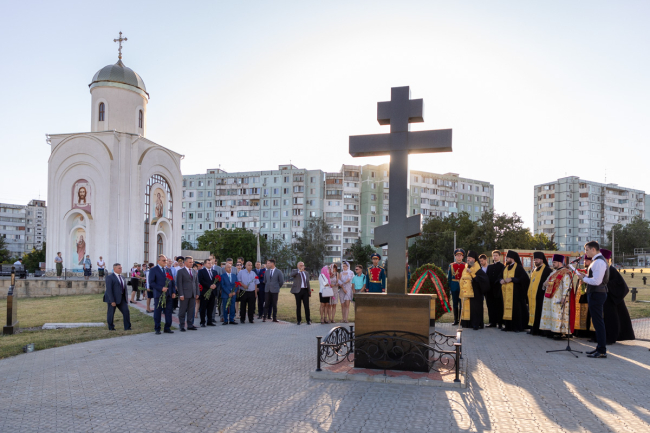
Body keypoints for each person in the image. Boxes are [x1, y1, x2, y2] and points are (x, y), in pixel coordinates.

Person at [576, 241, 609, 358]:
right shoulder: (596, 261)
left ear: (593, 249)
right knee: (596, 322)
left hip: (597, 294)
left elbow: (597, 281)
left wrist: (583, 279)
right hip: (595, 293)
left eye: (587, 250)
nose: (586, 253)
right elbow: (594, 278)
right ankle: (599, 347)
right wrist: (584, 276)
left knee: (598, 322)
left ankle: (601, 350)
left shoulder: (599, 262)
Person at [600, 249, 635, 344]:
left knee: (612, 319)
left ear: (607, 260)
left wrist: (605, 285)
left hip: (612, 299)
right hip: (604, 298)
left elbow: (620, 285)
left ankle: (611, 337)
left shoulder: (611, 270)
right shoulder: (602, 269)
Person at [540, 254, 574, 338]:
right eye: (553, 262)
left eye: (554, 262)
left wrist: (564, 297)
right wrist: (545, 284)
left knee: (557, 315)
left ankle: (558, 332)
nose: (553, 264)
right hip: (550, 298)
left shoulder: (565, 272)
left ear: (560, 262)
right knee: (550, 314)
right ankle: (550, 331)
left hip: (558, 298)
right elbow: (545, 283)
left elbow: (567, 286)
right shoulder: (553, 272)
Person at [500, 250, 530, 333]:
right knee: (506, 309)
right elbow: (499, 276)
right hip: (506, 293)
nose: (506, 259)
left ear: (512, 258)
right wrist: (500, 280)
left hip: (516, 293)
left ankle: (517, 327)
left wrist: (512, 279)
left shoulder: (518, 267)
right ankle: (508, 326)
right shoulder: (505, 267)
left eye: (507, 258)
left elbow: (525, 279)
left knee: (516, 310)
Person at [459, 250, 489, 330]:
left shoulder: (478, 269)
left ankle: (476, 324)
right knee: (468, 308)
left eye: (470, 258)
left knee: (475, 309)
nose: (468, 259)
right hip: (466, 292)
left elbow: (483, 280)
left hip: (476, 293)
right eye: (467, 258)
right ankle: (468, 324)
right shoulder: (466, 267)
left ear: (474, 259)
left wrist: (472, 273)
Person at [527, 252, 552, 336]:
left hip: (541, 296)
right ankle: (533, 329)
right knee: (532, 312)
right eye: (534, 259)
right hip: (532, 296)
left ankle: (540, 330)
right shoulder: (534, 270)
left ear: (542, 260)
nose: (535, 261)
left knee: (539, 312)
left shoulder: (547, 270)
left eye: (537, 259)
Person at [149, 254, 176, 335]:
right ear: (158, 261)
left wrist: (173, 292)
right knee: (158, 312)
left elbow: (172, 282)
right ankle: (157, 328)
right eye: (164, 260)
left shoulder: (168, 270)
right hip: (159, 294)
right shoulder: (153, 270)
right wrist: (161, 288)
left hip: (168, 294)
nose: (165, 262)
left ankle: (167, 328)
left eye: (166, 260)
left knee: (168, 312)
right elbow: (151, 282)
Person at [103, 263, 132, 331]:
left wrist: (126, 299)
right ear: (114, 269)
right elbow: (109, 290)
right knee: (111, 313)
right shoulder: (110, 277)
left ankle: (127, 327)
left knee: (126, 311)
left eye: (121, 268)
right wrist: (112, 301)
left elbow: (124, 289)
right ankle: (111, 327)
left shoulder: (122, 277)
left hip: (121, 298)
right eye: (119, 268)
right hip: (112, 298)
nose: (121, 269)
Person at [176, 256, 200, 332]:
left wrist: (197, 293)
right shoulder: (180, 271)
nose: (191, 263)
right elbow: (179, 284)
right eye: (190, 262)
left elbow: (196, 283)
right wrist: (181, 294)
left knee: (191, 310)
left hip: (192, 294)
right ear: (185, 262)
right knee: (182, 310)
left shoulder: (194, 271)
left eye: (192, 262)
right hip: (184, 294)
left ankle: (190, 325)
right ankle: (182, 325)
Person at [485, 250, 505, 328]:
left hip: (498, 289)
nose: (495, 257)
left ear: (499, 256)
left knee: (499, 306)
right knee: (491, 306)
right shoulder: (489, 266)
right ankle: (492, 322)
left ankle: (500, 323)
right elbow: (487, 277)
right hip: (490, 289)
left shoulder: (502, 266)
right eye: (494, 255)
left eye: (496, 255)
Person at [198, 258, 219, 327]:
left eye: (211, 263)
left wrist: (215, 285)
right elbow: (201, 280)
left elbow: (218, 281)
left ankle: (209, 321)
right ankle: (202, 322)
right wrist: (209, 286)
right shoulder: (201, 271)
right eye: (208, 263)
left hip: (212, 292)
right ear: (205, 264)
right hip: (205, 292)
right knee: (203, 308)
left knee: (211, 308)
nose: (210, 264)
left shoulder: (214, 272)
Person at [447, 249, 466, 326]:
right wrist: (449, 287)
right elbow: (449, 277)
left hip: (463, 286)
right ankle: (456, 320)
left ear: (462, 257)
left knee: (462, 304)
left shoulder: (465, 265)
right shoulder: (451, 265)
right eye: (457, 255)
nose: (459, 257)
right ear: (455, 256)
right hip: (454, 286)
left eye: (460, 255)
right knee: (455, 303)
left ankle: (462, 319)